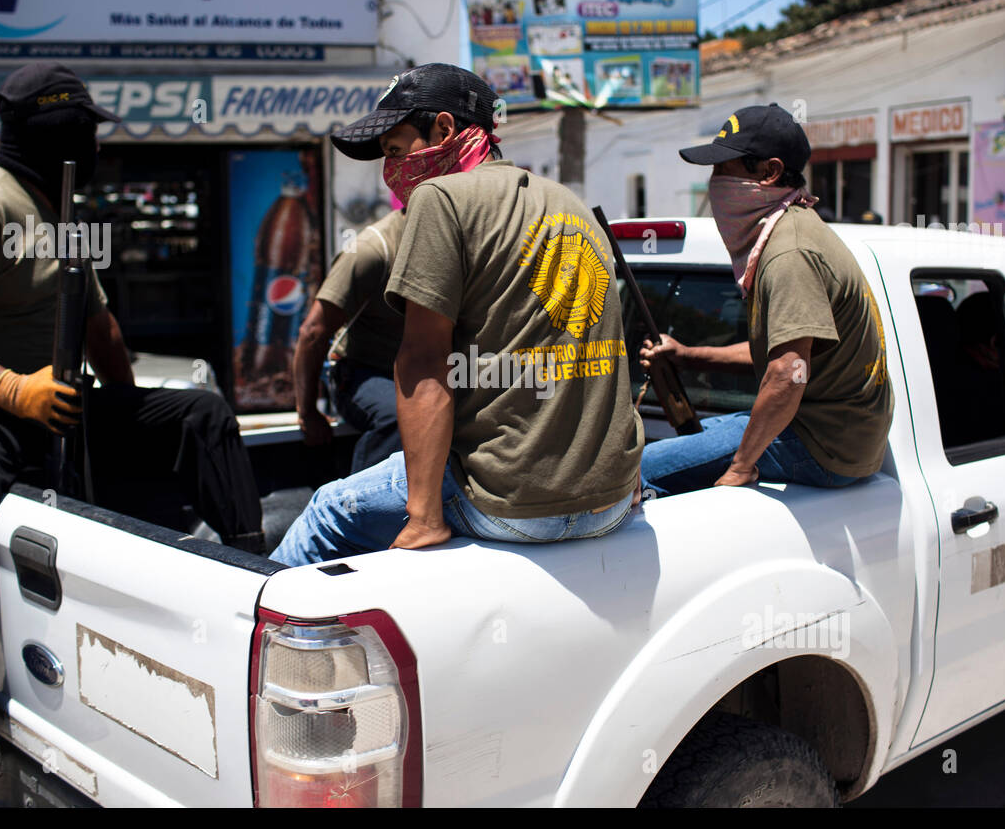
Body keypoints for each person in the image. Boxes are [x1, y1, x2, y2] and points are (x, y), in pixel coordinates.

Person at [0, 62, 265, 790]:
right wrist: (6, 386)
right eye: (82, 133)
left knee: (200, 413)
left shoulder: (65, 217)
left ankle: (254, 578)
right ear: (48, 135)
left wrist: (127, 416)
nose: (92, 147)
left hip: (59, 402)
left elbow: (101, 329)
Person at [272, 63, 644, 565]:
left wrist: (424, 518)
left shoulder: (439, 198)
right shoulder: (568, 202)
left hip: (513, 506)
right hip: (615, 501)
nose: (392, 170)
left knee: (326, 511)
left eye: (398, 150)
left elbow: (423, 361)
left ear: (445, 129)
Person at [639, 103, 893, 496]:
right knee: (687, 440)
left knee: (640, 470)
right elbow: (784, 355)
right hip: (829, 431)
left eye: (726, 168)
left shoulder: (789, 252)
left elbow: (789, 372)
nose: (715, 181)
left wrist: (741, 467)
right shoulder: (791, 229)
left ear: (770, 172)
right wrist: (689, 355)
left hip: (825, 446)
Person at [293, 206, 408, 472]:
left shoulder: (453, 242)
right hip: (364, 372)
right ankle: (359, 507)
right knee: (401, 416)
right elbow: (312, 333)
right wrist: (307, 411)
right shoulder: (372, 250)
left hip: (425, 368)